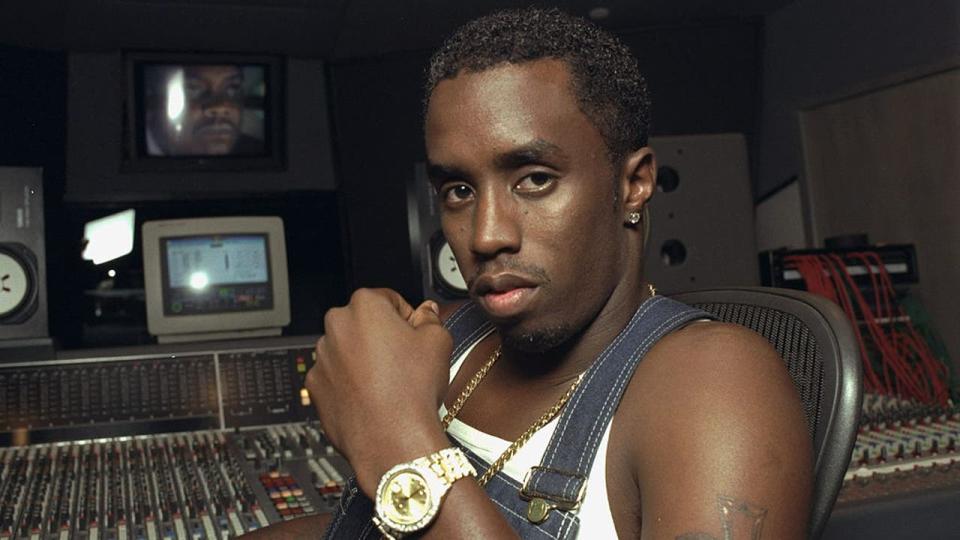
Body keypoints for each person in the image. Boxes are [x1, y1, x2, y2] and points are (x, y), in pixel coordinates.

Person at [248, 7, 811, 539]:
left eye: (535, 179)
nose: (486, 235)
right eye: (459, 190)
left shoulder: (714, 383)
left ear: (634, 183)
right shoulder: (444, 342)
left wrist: (397, 443)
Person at [144, 64, 264, 156]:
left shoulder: (257, 151)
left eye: (233, 87)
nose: (221, 107)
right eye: (192, 88)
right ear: (154, 96)